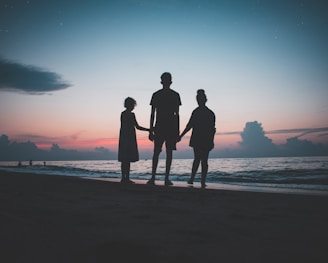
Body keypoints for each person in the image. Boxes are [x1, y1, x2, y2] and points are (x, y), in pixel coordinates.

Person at [147, 72, 181, 186]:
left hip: (162, 127)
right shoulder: (174, 95)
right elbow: (177, 115)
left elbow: (153, 114)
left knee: (158, 152)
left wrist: (151, 130)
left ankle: (155, 178)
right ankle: (163, 178)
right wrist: (177, 131)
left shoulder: (157, 95)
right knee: (166, 153)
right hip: (166, 127)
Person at [179, 89, 216, 188]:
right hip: (203, 138)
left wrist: (181, 136)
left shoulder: (198, 112)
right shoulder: (209, 113)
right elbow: (212, 129)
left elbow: (189, 126)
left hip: (200, 138)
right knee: (203, 160)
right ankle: (200, 181)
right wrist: (211, 140)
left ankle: (193, 179)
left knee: (199, 159)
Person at [118, 97, 150, 183]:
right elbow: (137, 127)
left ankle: (124, 178)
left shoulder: (123, 114)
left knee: (124, 159)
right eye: (133, 105)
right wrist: (149, 130)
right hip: (129, 137)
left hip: (124, 136)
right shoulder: (131, 115)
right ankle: (126, 178)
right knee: (127, 159)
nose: (133, 106)